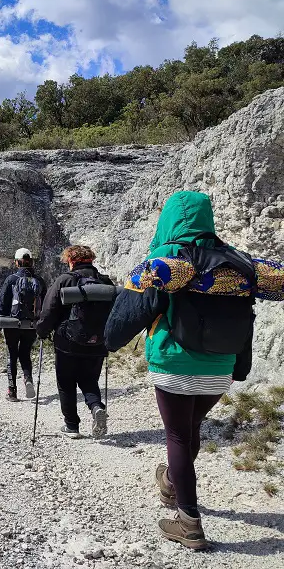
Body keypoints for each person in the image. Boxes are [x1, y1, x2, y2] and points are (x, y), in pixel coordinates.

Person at [104, 191, 257, 550]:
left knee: (177, 436)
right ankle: (172, 480)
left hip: (174, 362)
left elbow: (129, 314)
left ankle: (188, 522)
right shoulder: (235, 261)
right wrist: (240, 368)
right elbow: (246, 318)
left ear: (168, 219)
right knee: (190, 429)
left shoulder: (166, 259)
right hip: (221, 366)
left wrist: (109, 341)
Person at [36, 245, 111, 438]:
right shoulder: (105, 282)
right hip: (98, 343)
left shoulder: (65, 280)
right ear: (91, 260)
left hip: (67, 343)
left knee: (66, 382)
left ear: (71, 260)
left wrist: (41, 331)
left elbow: (49, 309)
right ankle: (96, 407)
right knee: (89, 380)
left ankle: (71, 426)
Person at [0, 248, 46, 401]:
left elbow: (2, 304)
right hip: (30, 325)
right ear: (31, 262)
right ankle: (28, 379)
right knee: (25, 353)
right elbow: (47, 304)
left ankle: (12, 391)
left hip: (11, 324)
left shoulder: (11, 279)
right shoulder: (40, 280)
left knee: (12, 354)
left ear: (16, 262)